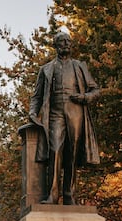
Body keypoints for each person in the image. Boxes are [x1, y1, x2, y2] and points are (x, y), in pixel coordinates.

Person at [29, 31, 101, 205]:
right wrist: (32, 112)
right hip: (54, 113)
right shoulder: (46, 69)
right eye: (62, 42)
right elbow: (37, 95)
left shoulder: (79, 66)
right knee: (55, 150)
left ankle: (69, 195)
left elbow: (95, 90)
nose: (66, 44)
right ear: (55, 45)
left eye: (68, 41)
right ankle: (53, 195)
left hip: (75, 111)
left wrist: (84, 98)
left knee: (72, 153)